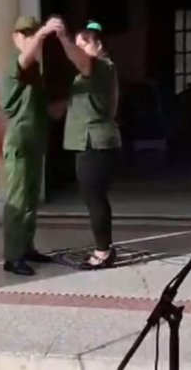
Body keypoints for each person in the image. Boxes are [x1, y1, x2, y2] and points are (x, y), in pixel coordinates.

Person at [53, 20, 121, 270]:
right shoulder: (87, 73)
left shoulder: (102, 66)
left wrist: (63, 38)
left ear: (98, 45)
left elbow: (82, 62)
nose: (80, 50)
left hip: (95, 142)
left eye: (84, 44)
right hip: (86, 142)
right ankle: (104, 247)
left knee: (95, 198)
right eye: (78, 45)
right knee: (93, 196)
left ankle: (103, 252)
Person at [0, 16, 60, 276]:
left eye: (33, 34)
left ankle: (26, 247)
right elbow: (23, 61)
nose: (31, 39)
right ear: (16, 38)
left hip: (34, 141)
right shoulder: (16, 63)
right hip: (20, 141)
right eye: (26, 35)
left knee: (31, 200)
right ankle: (12, 257)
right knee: (18, 201)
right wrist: (43, 33)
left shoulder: (35, 69)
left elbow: (44, 108)